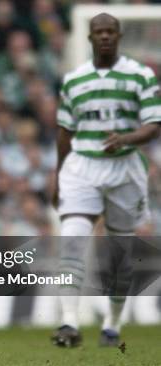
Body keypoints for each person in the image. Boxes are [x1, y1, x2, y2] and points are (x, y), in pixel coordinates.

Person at [52, 13, 161, 348]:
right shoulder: (74, 80)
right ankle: (69, 322)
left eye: (109, 32)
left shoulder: (141, 76)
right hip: (82, 167)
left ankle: (113, 323)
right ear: (89, 37)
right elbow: (65, 132)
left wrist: (126, 139)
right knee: (72, 238)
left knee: (119, 253)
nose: (104, 37)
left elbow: (154, 124)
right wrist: (58, 177)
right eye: (98, 32)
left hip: (125, 168)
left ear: (119, 35)